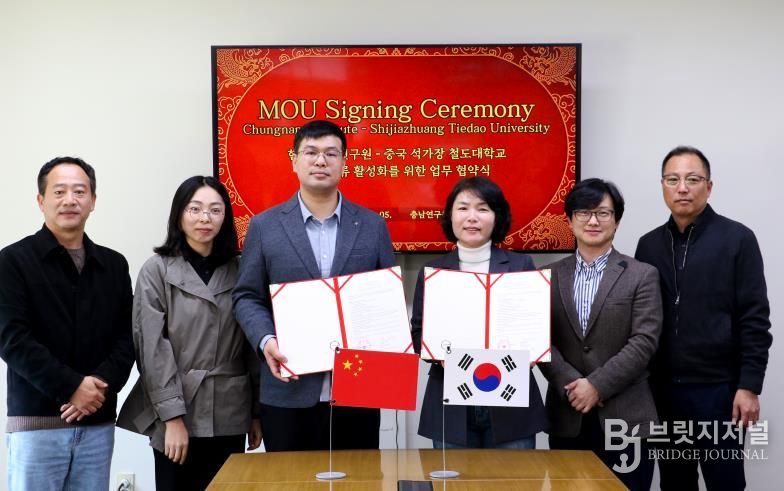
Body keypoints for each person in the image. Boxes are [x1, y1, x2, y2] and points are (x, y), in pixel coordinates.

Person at [232, 120, 395, 451]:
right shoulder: (265, 227)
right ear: (294, 160)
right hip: (288, 388)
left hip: (359, 389)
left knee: (359, 483)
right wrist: (267, 341)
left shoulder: (372, 226)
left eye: (331, 153)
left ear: (344, 163)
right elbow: (247, 296)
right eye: (311, 152)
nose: (321, 161)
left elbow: (387, 302)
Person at [635, 146, 772, 491]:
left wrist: (749, 386)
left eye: (692, 179)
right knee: (674, 483)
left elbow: (755, 319)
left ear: (709, 187)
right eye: (673, 179)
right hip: (663, 392)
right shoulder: (648, 245)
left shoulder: (737, 239)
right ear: (663, 186)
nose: (682, 187)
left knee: (725, 483)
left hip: (720, 392)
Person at [117, 176, 261, 490]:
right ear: (179, 215)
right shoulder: (156, 270)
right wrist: (171, 418)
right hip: (177, 407)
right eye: (194, 209)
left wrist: (255, 412)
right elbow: (152, 349)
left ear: (225, 218)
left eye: (215, 210)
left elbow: (252, 346)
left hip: (230, 410)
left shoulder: (240, 270)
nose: (204, 218)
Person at [0, 156, 134, 490]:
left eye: (79, 191)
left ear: (93, 201)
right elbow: (12, 339)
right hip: (37, 425)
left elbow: (128, 336)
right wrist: (72, 387)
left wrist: (100, 384)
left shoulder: (114, 265)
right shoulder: (13, 261)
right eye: (59, 191)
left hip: (97, 424)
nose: (70, 200)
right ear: (41, 200)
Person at [539, 178, 662, 490]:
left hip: (626, 418)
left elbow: (644, 341)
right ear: (569, 220)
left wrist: (596, 385)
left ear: (617, 221)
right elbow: (539, 338)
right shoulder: (547, 275)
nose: (593, 221)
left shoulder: (641, 274)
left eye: (603, 213)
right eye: (583, 213)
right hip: (568, 416)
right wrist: (572, 385)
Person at [410, 176, 548, 448]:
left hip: (510, 401)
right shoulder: (433, 272)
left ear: (497, 217)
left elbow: (536, 329)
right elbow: (417, 332)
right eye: (463, 208)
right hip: (451, 399)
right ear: (450, 216)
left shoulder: (521, 266)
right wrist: (438, 355)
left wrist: (532, 352)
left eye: (482, 209)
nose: (472, 217)